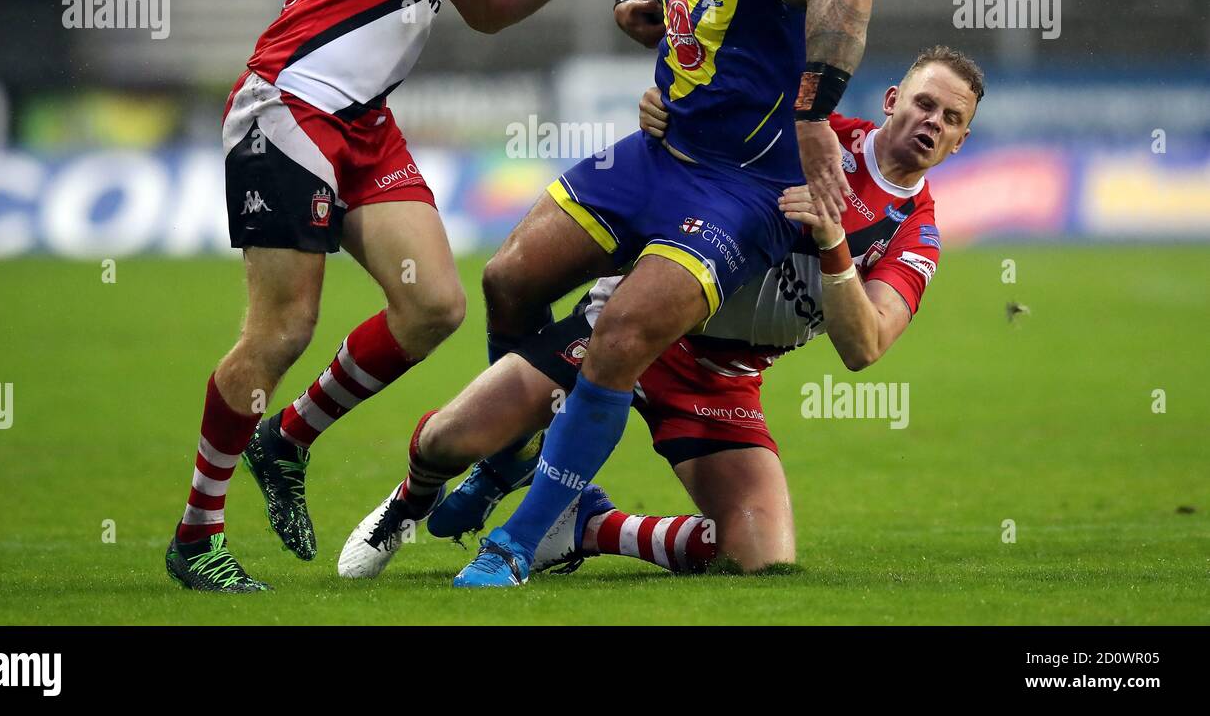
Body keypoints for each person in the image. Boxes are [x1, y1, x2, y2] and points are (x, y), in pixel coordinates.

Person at [165, 0, 633, 592]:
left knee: (433, 309)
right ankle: (195, 537)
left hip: (363, 124)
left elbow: (489, 5)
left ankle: (288, 437)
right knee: (283, 330)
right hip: (291, 106)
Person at [337, 47, 984, 578]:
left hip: (720, 378)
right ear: (893, 99)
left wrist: (834, 244)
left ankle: (590, 527)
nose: (933, 121)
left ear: (959, 141)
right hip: (631, 320)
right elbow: (702, 121)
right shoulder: (809, 135)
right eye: (925, 102)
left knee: (760, 556)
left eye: (951, 118)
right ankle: (418, 495)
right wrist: (664, 111)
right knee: (447, 439)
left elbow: (864, 346)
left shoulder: (914, 233)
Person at [450, 0, 874, 586]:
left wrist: (813, 118)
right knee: (508, 277)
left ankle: (520, 541)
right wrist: (634, 17)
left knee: (618, 337)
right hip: (660, 153)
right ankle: (512, 461)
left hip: (741, 191)